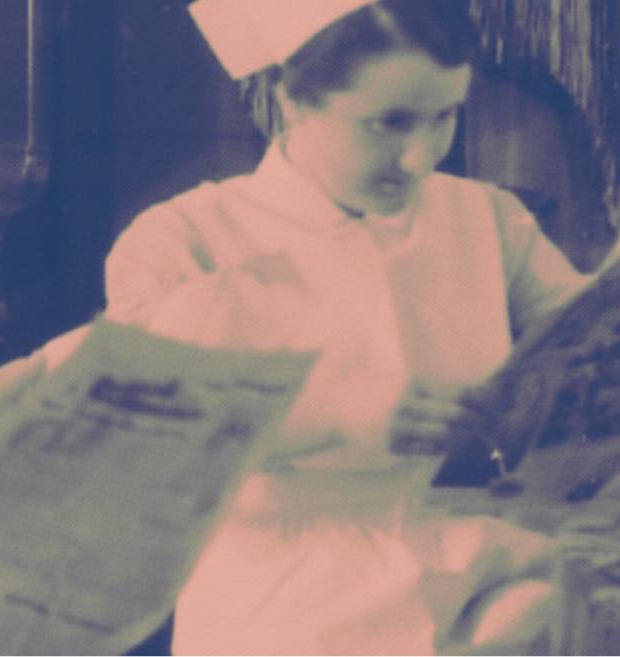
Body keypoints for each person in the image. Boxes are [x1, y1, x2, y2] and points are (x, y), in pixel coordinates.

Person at [103, 0, 588, 653]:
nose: (420, 158)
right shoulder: (187, 240)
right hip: (282, 596)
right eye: (390, 123)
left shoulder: (485, 217)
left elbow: (592, 339)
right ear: (294, 100)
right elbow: (140, 444)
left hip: (460, 560)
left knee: (554, 609)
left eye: (445, 117)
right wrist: (333, 413)